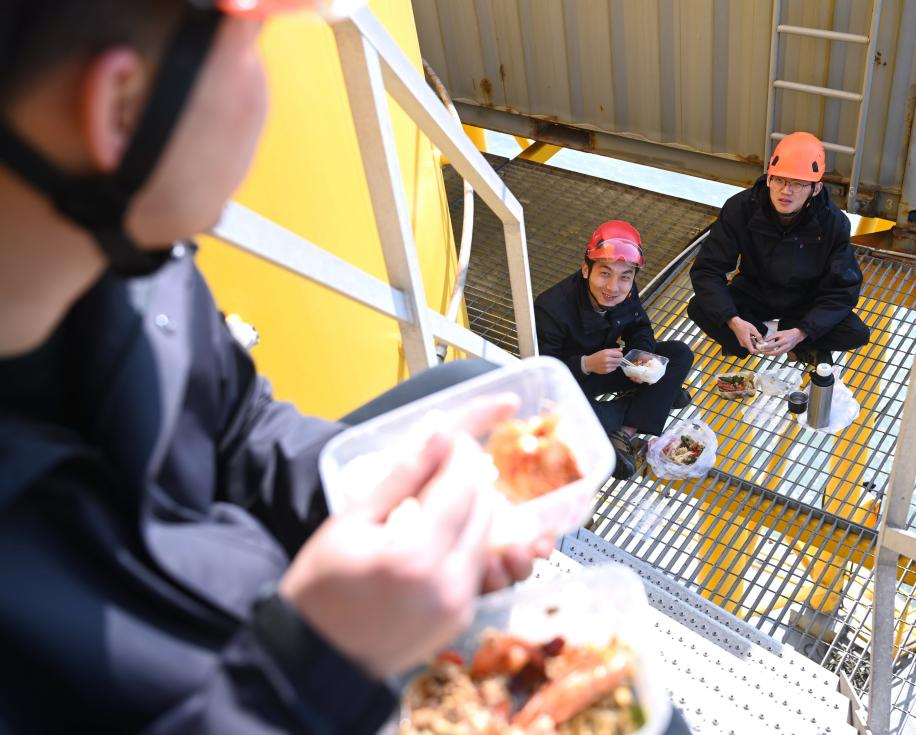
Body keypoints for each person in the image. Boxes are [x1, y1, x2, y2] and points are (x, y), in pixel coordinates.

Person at [0, 1, 547, 732]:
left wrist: (378, 488)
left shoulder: (141, 269)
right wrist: (314, 663)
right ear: (120, 109)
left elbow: (235, 426)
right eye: (254, 43)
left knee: (466, 395)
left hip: (255, 603)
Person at [687, 131, 870, 366]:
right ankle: (760, 337)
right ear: (769, 178)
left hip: (804, 301)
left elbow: (843, 292)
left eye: (797, 184)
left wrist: (801, 332)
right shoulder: (741, 207)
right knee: (700, 307)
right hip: (755, 292)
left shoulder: (833, 223)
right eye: (780, 180)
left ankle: (783, 339)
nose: (786, 191)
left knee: (856, 333)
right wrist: (733, 320)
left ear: (815, 189)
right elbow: (707, 270)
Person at [535, 220, 694, 481]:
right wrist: (586, 364)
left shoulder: (626, 292)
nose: (613, 287)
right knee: (565, 420)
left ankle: (624, 432)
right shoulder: (551, 307)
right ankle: (656, 400)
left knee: (679, 353)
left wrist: (641, 358)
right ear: (586, 269)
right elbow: (544, 374)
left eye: (625, 277)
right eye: (605, 273)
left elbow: (639, 327)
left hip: (612, 363)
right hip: (572, 379)